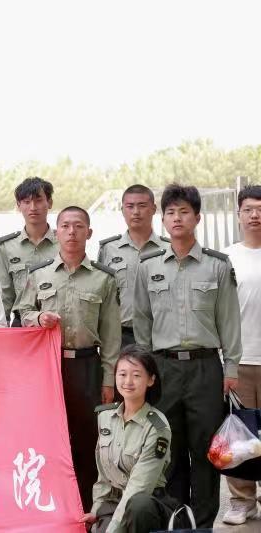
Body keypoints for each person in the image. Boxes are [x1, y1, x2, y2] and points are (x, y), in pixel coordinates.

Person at [133, 184, 242, 527]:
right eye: (170, 212)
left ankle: (204, 524)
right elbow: (142, 320)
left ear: (197, 217)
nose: (177, 218)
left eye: (184, 212)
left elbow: (229, 320)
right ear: (163, 219)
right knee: (170, 449)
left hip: (205, 369)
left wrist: (231, 368)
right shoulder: (148, 266)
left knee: (206, 450)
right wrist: (146, 370)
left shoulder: (217, 265)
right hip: (163, 368)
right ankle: (178, 522)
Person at [16, 206, 121, 512]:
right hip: (49, 368)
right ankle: (52, 509)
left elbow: (112, 336)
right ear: (56, 232)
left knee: (88, 441)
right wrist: (38, 318)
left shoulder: (104, 278)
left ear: (89, 232)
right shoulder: (39, 275)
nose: (72, 232)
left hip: (88, 367)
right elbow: (22, 313)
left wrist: (109, 380)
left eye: (78, 226)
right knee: (50, 439)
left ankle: (87, 511)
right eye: (65, 226)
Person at [81, 344, 176, 533]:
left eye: (137, 375)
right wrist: (96, 510)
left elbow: (139, 486)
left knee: (138, 506)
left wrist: (113, 529)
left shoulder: (158, 427)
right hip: (114, 503)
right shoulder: (105, 417)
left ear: (151, 380)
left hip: (147, 505)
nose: (128, 381)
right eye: (122, 374)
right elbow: (103, 475)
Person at [219, 184, 261, 525]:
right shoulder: (226, 257)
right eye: (248, 209)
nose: (255, 215)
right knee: (241, 434)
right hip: (239, 360)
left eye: (260, 209)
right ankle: (242, 500)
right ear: (238, 215)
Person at [98, 185, 169, 347]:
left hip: (161, 334)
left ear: (154, 209)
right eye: (130, 206)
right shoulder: (109, 249)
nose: (136, 212)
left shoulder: (169, 249)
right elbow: (101, 294)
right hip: (121, 336)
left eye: (142, 206)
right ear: (122, 210)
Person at [0, 177, 58, 326]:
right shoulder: (7, 246)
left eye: (39, 200)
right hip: (22, 324)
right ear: (18, 205)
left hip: (57, 322)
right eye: (27, 202)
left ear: (49, 203)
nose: (33, 207)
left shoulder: (64, 243)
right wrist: (0, 329)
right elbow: (3, 295)